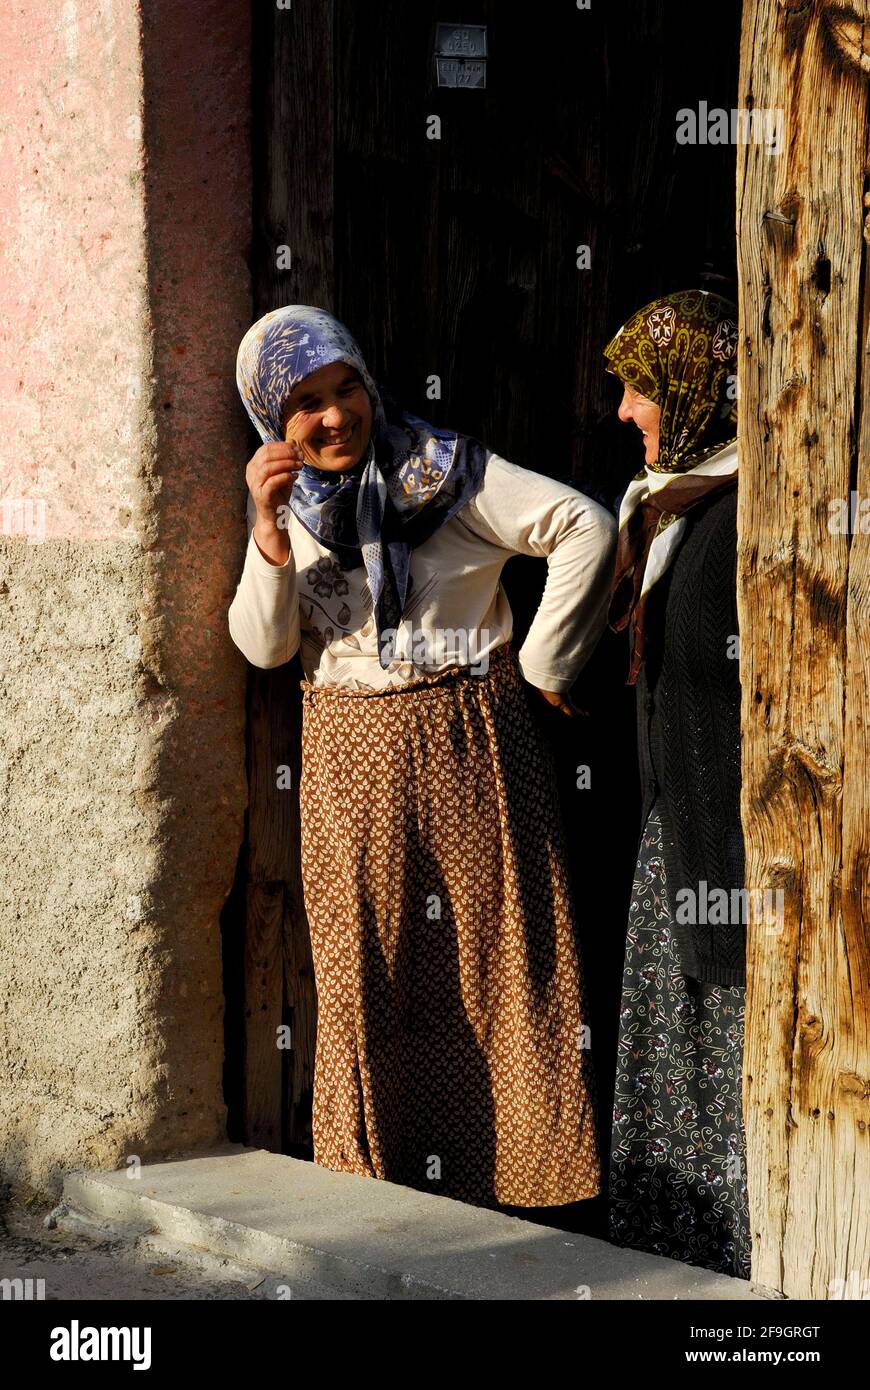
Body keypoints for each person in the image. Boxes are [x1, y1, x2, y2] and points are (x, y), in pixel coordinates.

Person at [227, 304, 617, 1210]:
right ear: (267, 420)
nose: (335, 416)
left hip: (469, 744)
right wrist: (268, 530)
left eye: (345, 388)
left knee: (497, 962)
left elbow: (584, 525)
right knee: (369, 971)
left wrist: (543, 662)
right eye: (305, 403)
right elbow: (265, 649)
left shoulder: (447, 472)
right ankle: (379, 1194)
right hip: (347, 759)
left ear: (368, 380)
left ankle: (528, 1192)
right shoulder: (285, 506)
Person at [603, 289, 751, 1277]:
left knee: (727, 1056)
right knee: (680, 1054)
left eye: (637, 389)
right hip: (679, 841)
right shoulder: (674, 506)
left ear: (694, 389)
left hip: (732, 853)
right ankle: (675, 1260)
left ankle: (738, 1263)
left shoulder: (745, 515)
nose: (622, 412)